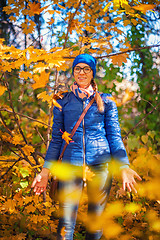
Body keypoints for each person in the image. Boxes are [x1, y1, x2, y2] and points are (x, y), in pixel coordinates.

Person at [31, 54, 142, 240]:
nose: (81, 72)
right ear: (73, 72)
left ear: (93, 73)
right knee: (65, 223)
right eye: (77, 68)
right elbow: (57, 140)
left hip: (100, 165)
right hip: (70, 165)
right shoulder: (62, 100)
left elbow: (114, 136)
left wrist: (123, 166)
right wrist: (45, 172)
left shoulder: (106, 101)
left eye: (86, 69)